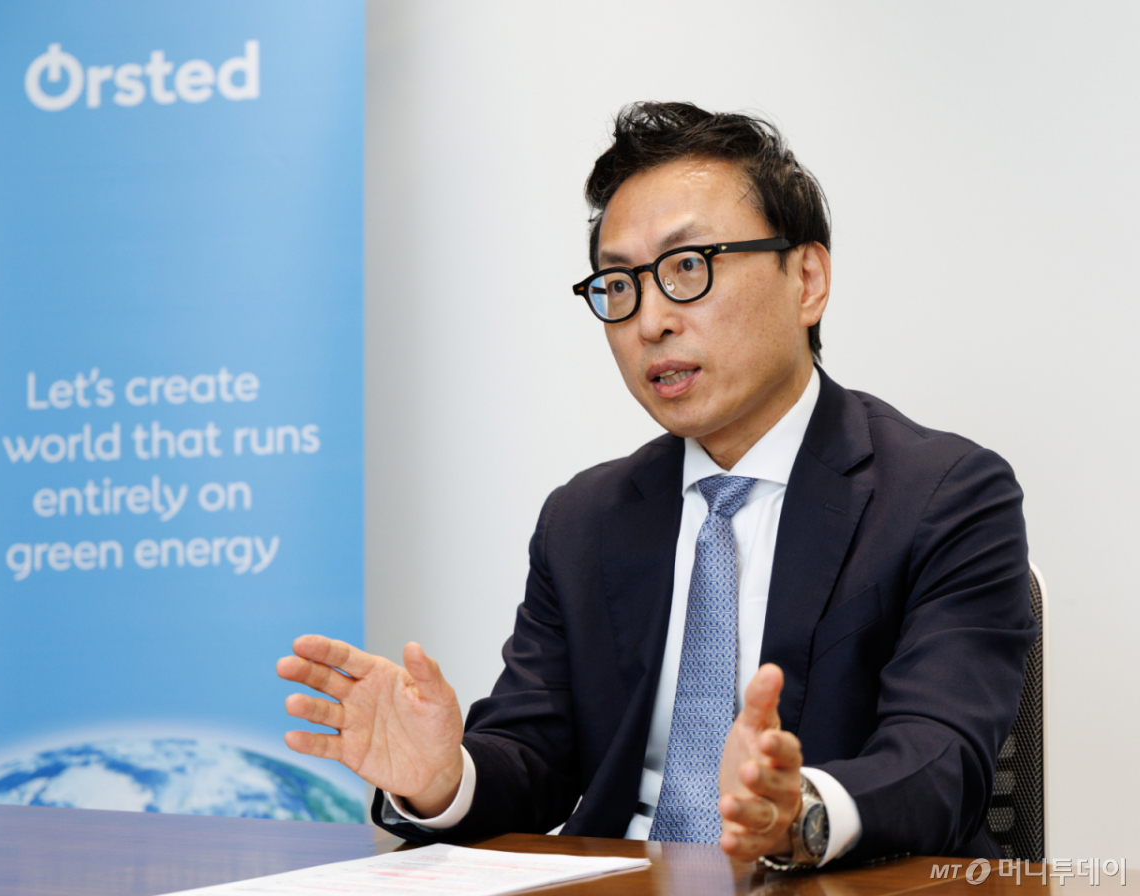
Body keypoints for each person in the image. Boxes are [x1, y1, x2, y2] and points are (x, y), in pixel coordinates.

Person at [276, 102, 1036, 867]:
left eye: (688, 267)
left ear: (806, 279)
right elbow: (535, 755)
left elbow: (942, 758)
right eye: (619, 284)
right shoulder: (585, 519)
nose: (650, 322)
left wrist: (799, 812)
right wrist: (444, 780)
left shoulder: (943, 496)